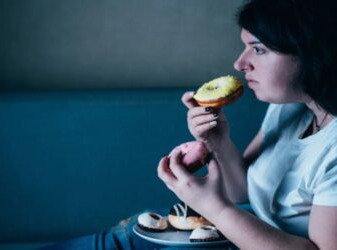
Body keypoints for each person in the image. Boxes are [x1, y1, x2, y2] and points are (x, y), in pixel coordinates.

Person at [43, 0, 337, 249]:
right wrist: (218, 140)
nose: (240, 63)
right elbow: (243, 193)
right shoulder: (288, 109)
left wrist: (211, 207)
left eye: (258, 49)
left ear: (311, 52)